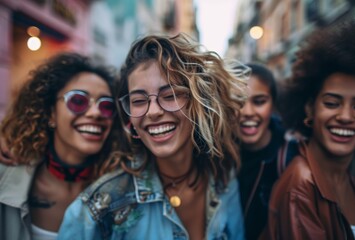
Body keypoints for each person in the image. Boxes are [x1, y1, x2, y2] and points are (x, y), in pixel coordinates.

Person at [57, 33, 249, 240]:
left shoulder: (222, 178)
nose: (153, 111)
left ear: (197, 102)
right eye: (138, 101)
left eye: (170, 96)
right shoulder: (99, 210)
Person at [0, 52, 120, 240]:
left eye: (106, 106)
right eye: (78, 101)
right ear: (50, 114)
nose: (96, 113)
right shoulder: (5, 178)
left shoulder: (123, 191)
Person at [261, 17, 355, 239]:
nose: (345, 116)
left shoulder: (347, 172)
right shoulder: (300, 188)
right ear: (309, 108)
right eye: (331, 103)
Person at [236, 63, 299, 240]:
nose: (247, 112)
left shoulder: (293, 157)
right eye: (237, 101)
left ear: (273, 105)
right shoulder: (214, 155)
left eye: (259, 102)